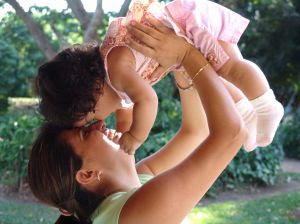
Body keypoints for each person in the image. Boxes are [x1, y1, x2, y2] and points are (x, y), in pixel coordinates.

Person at [28, 17, 247, 224]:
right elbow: (231, 134)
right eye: (86, 132)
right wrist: (185, 55)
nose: (100, 123)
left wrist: (180, 69)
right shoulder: (132, 216)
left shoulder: (131, 189)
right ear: (87, 174)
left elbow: (195, 132)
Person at [99, 0, 284, 151]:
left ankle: (268, 107)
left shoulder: (115, 71)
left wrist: (134, 138)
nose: (98, 124)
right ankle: (247, 114)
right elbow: (124, 120)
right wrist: (123, 143)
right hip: (183, 34)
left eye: (90, 118)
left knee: (230, 67)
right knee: (213, 76)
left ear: (91, 97)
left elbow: (147, 100)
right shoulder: (118, 92)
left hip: (187, 24)